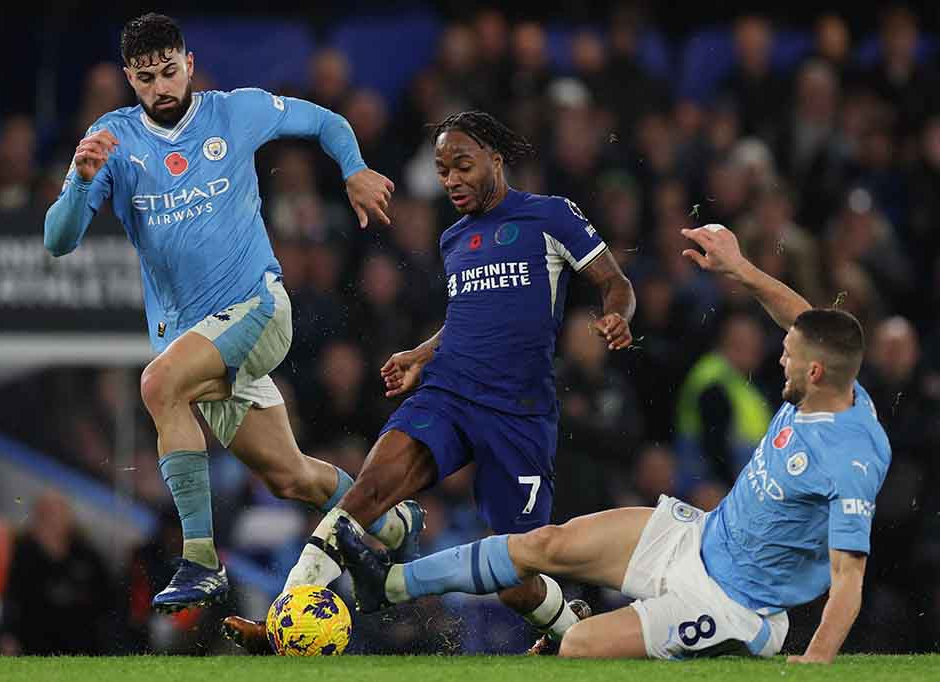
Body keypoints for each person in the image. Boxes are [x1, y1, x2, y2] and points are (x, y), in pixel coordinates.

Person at [336, 223, 891, 664]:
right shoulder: (834, 380)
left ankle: (719, 644)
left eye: (790, 356)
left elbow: (849, 580)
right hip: (698, 536)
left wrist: (817, 660)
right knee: (544, 544)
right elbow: (802, 318)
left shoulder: (851, 458)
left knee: (578, 647)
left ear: (815, 371)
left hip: (733, 603)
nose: (780, 358)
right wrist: (740, 267)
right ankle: (391, 585)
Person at [43, 12, 421, 613]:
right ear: (129, 78)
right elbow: (58, 240)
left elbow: (325, 120)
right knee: (291, 477)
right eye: (146, 78)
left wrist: (353, 169)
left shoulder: (234, 112)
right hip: (196, 340)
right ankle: (395, 523)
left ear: (189, 64)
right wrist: (81, 181)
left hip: (257, 308)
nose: (161, 87)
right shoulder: (111, 140)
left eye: (170, 71)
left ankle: (200, 560)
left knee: (159, 384)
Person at [223, 110, 637, 654]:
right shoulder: (453, 238)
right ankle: (286, 615)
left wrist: (617, 314)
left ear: (495, 159)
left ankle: (568, 628)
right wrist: (422, 354)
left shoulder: (550, 216)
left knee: (516, 577)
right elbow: (468, 316)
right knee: (368, 490)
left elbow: (615, 281)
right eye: (443, 171)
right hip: (448, 394)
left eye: (463, 166)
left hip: (518, 414)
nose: (452, 180)